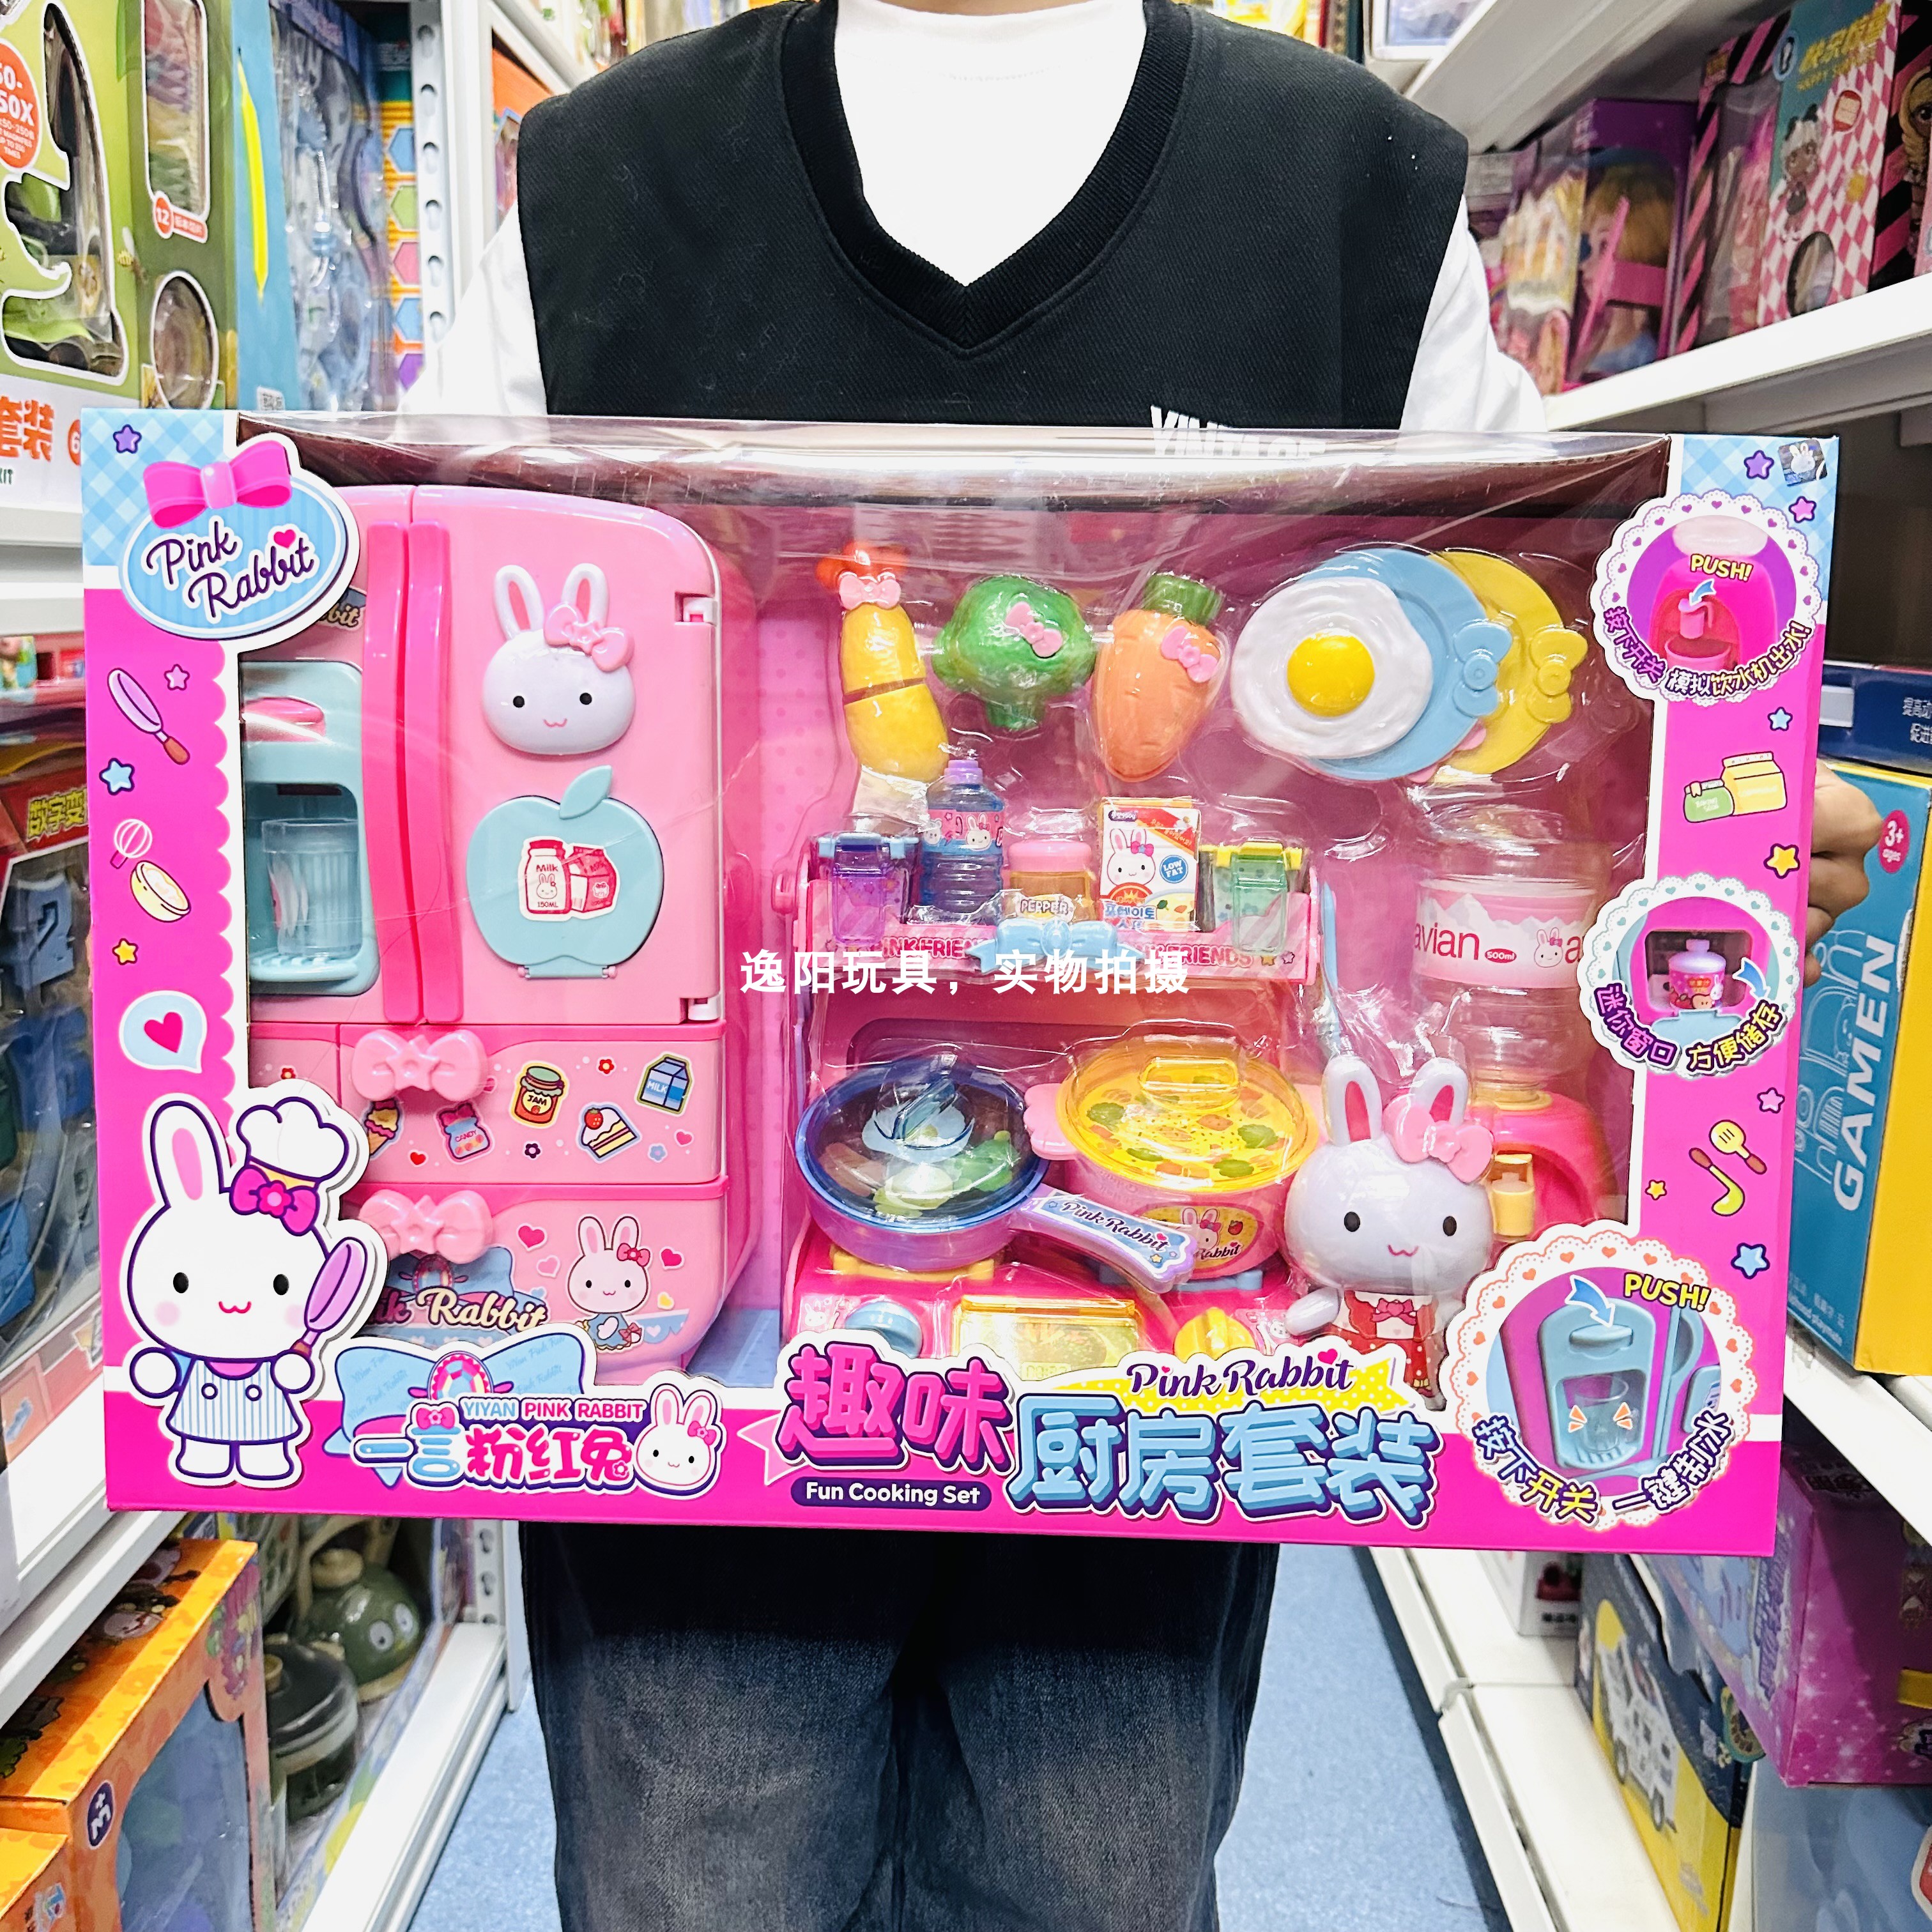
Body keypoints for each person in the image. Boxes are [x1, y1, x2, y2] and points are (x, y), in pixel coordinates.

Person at [406, 4, 1880, 1926]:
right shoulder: (600, 186)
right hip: (691, 1311)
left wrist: (1708, 806)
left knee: (1092, 1858)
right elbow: (421, 642)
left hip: (1173, 1326)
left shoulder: (1352, 193)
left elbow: (1543, 665)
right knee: (704, 1855)